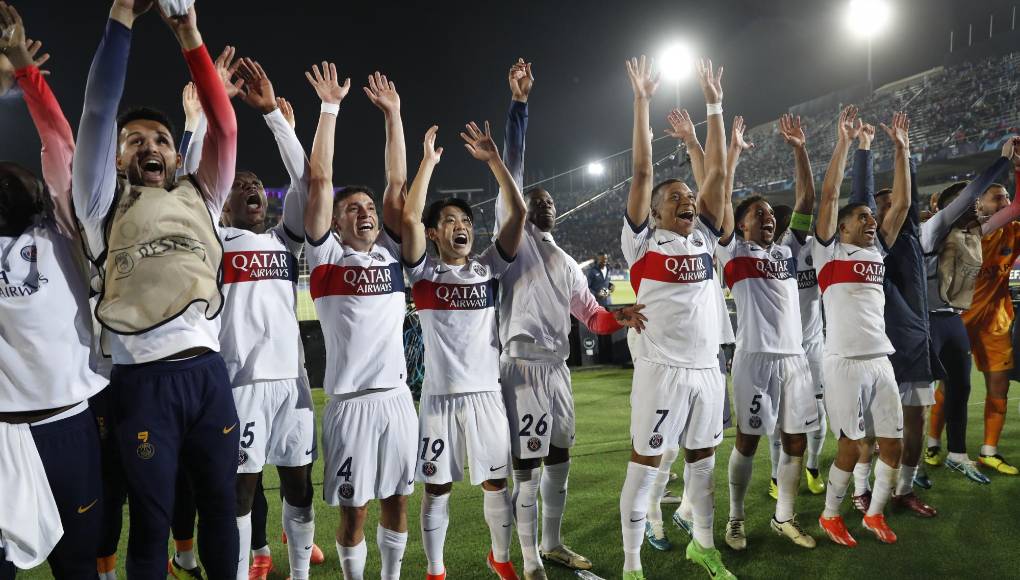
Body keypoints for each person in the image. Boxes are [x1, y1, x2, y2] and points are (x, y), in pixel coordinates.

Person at [72, 1, 240, 576]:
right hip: (142, 382)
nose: (151, 146)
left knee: (220, 510)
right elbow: (97, 111)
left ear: (175, 154)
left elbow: (225, 126)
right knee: (151, 520)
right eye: (135, 139)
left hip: (208, 377)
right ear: (117, 157)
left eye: (163, 139)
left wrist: (189, 34)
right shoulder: (99, 204)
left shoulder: (202, 196)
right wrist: (122, 12)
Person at [497, 58, 647, 580]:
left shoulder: (564, 260)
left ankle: (553, 542)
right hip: (522, 369)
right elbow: (513, 171)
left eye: (550, 201)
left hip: (559, 371)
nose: (546, 204)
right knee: (527, 467)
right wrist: (520, 105)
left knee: (560, 457)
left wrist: (620, 317)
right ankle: (530, 556)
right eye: (537, 200)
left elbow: (593, 318)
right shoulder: (512, 245)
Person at [618, 55, 735, 580]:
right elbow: (643, 171)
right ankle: (631, 564)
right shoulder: (642, 241)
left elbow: (716, 174)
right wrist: (642, 99)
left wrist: (713, 103)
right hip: (661, 371)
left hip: (706, 369)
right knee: (646, 466)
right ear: (657, 211)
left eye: (688, 198)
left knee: (704, 463)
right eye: (676, 199)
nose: (687, 201)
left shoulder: (705, 237)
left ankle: (703, 546)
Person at [0, 4, 106, 576]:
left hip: (65, 423)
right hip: (2, 436)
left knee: (77, 566)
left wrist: (22, 67)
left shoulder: (61, 233)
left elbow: (62, 144)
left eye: (16, 174)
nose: (7, 177)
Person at [302, 61, 414, 580]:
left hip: (396, 400)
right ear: (336, 221)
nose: (365, 213)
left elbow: (397, 183)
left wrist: (393, 114)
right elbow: (320, 178)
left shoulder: (391, 259)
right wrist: (330, 109)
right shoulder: (325, 262)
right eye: (352, 209)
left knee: (397, 502)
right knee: (355, 512)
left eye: (368, 208)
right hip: (349, 404)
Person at [403, 121, 525, 580]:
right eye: (449, 222)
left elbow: (516, 216)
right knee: (437, 488)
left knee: (497, 481)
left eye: (466, 222)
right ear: (434, 234)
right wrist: (428, 165)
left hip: (486, 396)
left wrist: (495, 161)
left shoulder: (487, 268)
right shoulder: (424, 275)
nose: (461, 227)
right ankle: (436, 569)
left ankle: (501, 558)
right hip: (438, 398)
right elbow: (409, 217)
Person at [717, 113, 818, 551]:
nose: (767, 219)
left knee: (795, 438)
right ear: (741, 224)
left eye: (768, 215)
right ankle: (735, 518)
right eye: (757, 214)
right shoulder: (732, 251)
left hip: (793, 359)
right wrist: (734, 154)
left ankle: (785, 517)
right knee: (749, 439)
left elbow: (807, 201)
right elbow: (721, 198)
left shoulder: (788, 250)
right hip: (755, 358)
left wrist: (800, 149)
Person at [814, 106, 911, 547]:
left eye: (874, 220)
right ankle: (830, 516)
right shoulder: (828, 255)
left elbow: (904, 204)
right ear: (844, 227)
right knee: (851, 447)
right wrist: (844, 142)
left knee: (893, 444)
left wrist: (901, 149)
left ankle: (874, 515)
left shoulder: (876, 255)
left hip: (880, 360)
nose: (872, 224)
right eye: (864, 219)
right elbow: (830, 196)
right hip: (843, 363)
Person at [847, 120, 940, 517]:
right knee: (868, 428)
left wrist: (904, 148)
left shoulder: (913, 237)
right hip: (879, 345)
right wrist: (865, 151)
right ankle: (862, 489)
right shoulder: (876, 247)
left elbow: (909, 197)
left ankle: (904, 489)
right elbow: (860, 198)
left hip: (916, 342)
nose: (887, 208)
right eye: (879, 206)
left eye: (891, 202)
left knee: (916, 419)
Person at [922, 138, 1019, 484]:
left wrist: (1015, 166)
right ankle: (923, 452)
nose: (1003, 201)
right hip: (940, 318)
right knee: (932, 390)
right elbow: (976, 200)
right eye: (996, 197)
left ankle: (973, 453)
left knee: (979, 387)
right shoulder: (948, 230)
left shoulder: (993, 230)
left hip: (973, 318)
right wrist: (1006, 162)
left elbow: (1017, 208)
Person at [962, 159, 1020, 476]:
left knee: (998, 385)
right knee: (949, 386)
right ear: (979, 203)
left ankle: (989, 451)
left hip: (996, 320)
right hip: (958, 317)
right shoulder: (967, 231)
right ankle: (931, 445)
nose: (1005, 202)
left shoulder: (1013, 231)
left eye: (1007, 197)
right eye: (997, 197)